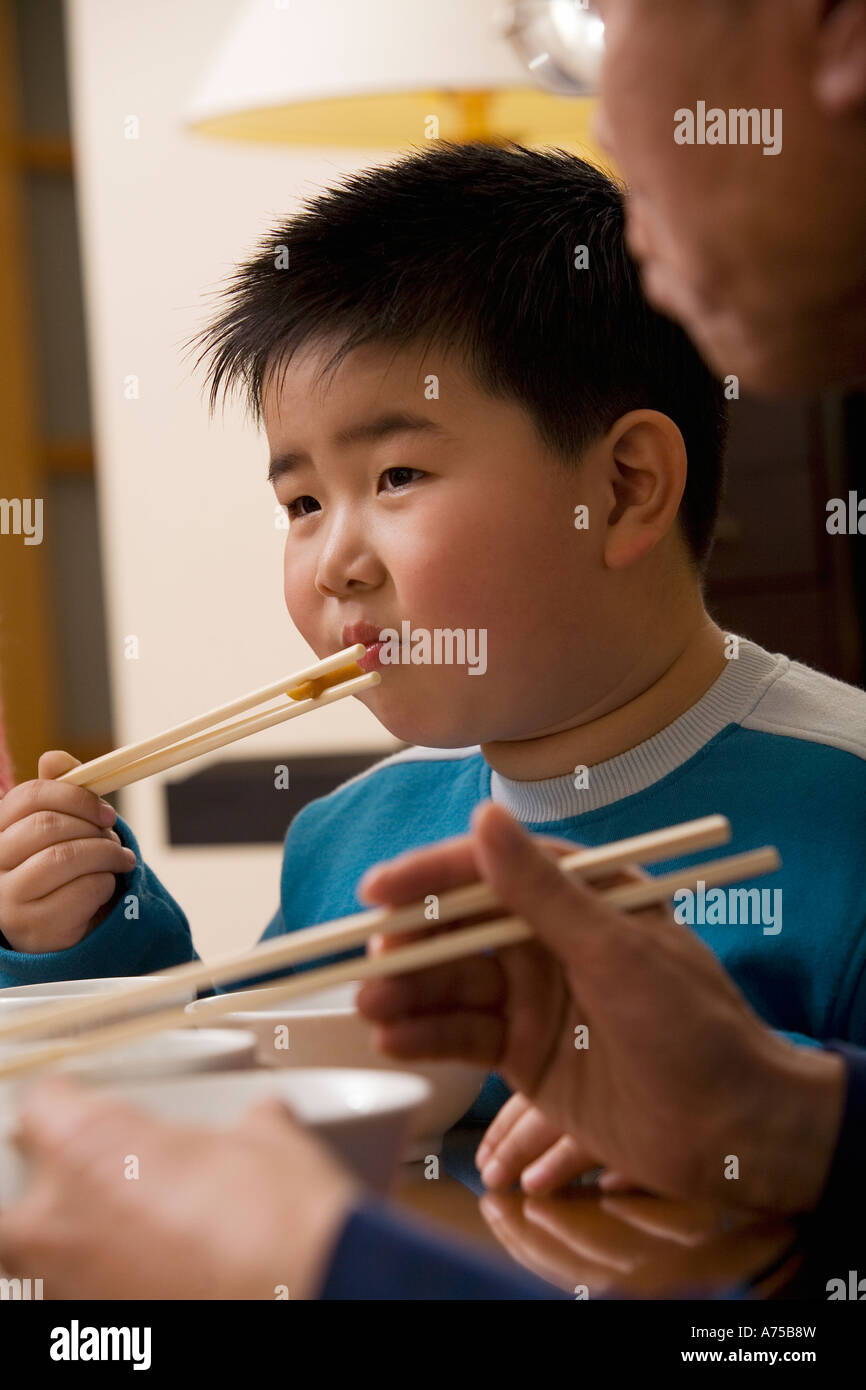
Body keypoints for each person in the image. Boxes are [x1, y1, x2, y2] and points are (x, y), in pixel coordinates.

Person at [1, 0, 865, 1300]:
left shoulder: (845, 798)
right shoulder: (348, 839)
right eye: (297, 501)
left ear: (623, 488)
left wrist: (754, 1122)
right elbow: (257, 1101)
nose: (333, 556)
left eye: (396, 471)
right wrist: (93, 931)